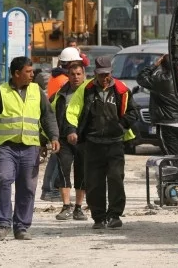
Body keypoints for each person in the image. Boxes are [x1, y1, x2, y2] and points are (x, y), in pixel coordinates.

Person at [0, 56, 60, 241]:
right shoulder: (1, 92)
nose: (32, 74)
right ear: (16, 74)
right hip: (7, 147)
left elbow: (48, 116)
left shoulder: (37, 91)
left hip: (30, 147)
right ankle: (3, 223)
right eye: (28, 72)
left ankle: (21, 227)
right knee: (3, 179)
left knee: (28, 187)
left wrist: (53, 136)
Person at [65, 56, 138, 229]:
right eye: (100, 74)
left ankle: (114, 215)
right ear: (95, 73)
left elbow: (133, 112)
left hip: (115, 143)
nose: (104, 78)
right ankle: (98, 217)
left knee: (116, 179)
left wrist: (121, 126)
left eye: (106, 74)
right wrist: (72, 130)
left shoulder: (121, 90)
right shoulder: (86, 89)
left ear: (111, 73)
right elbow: (73, 111)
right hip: (92, 143)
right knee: (94, 182)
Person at [41, 47, 84, 202]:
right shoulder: (65, 80)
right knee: (60, 163)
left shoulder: (56, 76)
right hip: (63, 124)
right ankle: (50, 189)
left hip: (59, 123)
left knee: (58, 161)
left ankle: (49, 189)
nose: (76, 75)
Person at [136, 53, 178, 156]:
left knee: (171, 157)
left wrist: (154, 65)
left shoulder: (159, 79)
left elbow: (141, 78)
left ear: (162, 66)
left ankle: (177, 172)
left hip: (167, 123)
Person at [49, 63, 88, 221]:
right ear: (68, 75)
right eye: (72, 74)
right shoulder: (60, 94)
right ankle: (66, 206)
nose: (76, 77)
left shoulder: (89, 92)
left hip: (83, 139)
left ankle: (78, 208)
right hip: (63, 139)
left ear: (83, 74)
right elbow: (49, 115)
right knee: (63, 171)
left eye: (78, 74)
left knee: (81, 173)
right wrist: (49, 137)